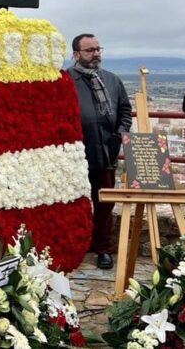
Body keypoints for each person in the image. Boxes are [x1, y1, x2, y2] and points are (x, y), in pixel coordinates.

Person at [67, 34, 132, 270]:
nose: (96, 54)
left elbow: (125, 110)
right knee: (75, 203)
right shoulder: (65, 80)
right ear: (75, 54)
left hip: (106, 152)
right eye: (89, 50)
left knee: (104, 203)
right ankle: (75, 246)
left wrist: (119, 134)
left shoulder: (112, 80)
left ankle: (103, 248)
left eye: (98, 49)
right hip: (74, 154)